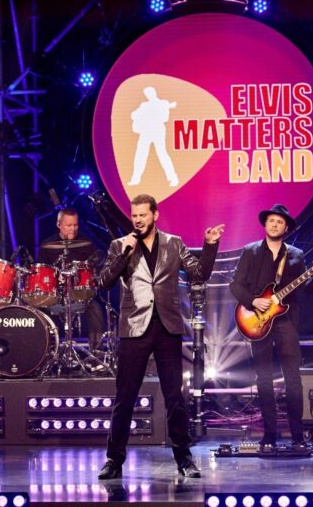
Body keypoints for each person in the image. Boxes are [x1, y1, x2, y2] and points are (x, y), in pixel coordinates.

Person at [96, 194, 224, 479]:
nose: (138, 220)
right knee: (125, 397)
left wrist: (210, 245)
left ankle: (184, 458)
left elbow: (199, 274)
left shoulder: (173, 243)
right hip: (134, 327)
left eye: (143, 215)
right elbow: (103, 282)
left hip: (167, 327)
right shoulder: (120, 245)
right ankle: (114, 460)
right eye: (134, 215)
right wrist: (124, 254)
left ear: (155, 215)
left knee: (174, 397)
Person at [229, 204, 313, 449]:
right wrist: (252, 301)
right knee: (264, 378)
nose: (274, 224)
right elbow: (235, 285)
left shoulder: (296, 255)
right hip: (257, 320)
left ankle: (298, 436)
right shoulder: (250, 251)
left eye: (279, 222)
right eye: (271, 220)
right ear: (265, 224)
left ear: (286, 228)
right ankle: (269, 434)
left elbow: (307, 290)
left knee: (293, 378)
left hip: (286, 321)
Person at [38, 207, 105, 353]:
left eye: (75, 225)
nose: (73, 229)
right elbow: (41, 273)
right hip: (54, 296)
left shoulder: (85, 244)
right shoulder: (47, 245)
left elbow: (94, 268)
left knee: (96, 308)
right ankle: (43, 351)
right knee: (36, 309)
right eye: (69, 225)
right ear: (59, 224)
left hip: (79, 294)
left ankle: (97, 353)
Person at [129, 87, 179, 187]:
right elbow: (133, 115)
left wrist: (150, 114)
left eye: (150, 93)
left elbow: (165, 118)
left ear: (154, 93)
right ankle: (135, 178)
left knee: (162, 154)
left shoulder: (163, 103)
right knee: (140, 155)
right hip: (146, 131)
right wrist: (145, 113)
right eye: (147, 94)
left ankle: (173, 178)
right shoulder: (144, 105)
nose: (149, 95)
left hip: (158, 130)